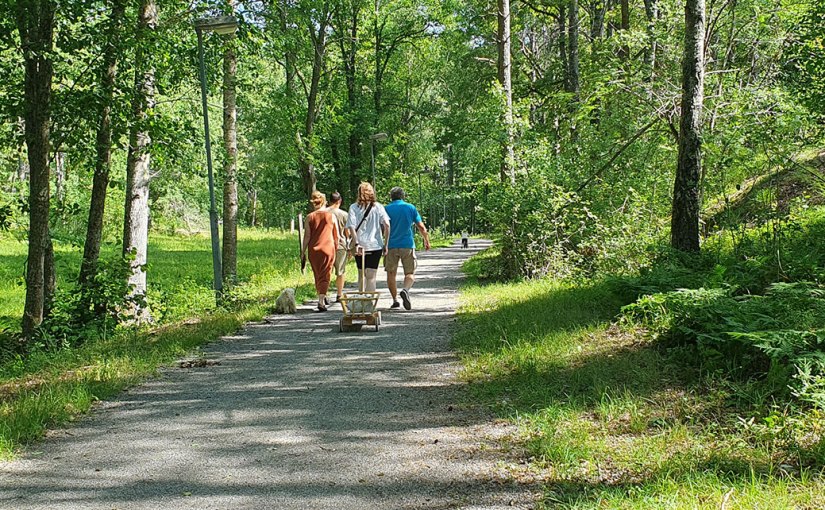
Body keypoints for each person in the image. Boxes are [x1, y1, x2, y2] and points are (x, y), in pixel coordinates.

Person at [384, 186, 430, 310]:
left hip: (391, 245)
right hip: (407, 245)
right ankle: (405, 290)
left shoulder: (385, 209)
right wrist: (426, 239)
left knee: (391, 273)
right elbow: (420, 226)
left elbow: (382, 228)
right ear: (403, 196)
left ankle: (395, 300)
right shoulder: (410, 208)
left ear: (391, 197)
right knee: (409, 273)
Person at [345, 182, 390, 293]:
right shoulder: (378, 207)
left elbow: (351, 227)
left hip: (360, 245)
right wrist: (386, 244)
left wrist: (356, 244)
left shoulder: (354, 207)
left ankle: (361, 300)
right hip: (375, 245)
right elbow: (387, 225)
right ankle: (369, 303)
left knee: (361, 274)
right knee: (371, 276)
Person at [301, 191, 339, 312]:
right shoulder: (331, 216)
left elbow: (307, 236)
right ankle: (321, 301)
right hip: (328, 248)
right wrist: (336, 248)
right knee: (326, 274)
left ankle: (322, 295)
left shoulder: (309, 217)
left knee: (317, 274)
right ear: (325, 202)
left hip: (314, 250)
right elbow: (336, 235)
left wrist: (303, 251)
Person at [327, 191, 349, 302]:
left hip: (326, 245)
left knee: (327, 270)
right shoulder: (344, 214)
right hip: (341, 245)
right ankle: (339, 294)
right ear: (339, 201)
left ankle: (324, 294)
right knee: (340, 271)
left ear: (329, 201)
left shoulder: (323, 212)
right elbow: (347, 232)